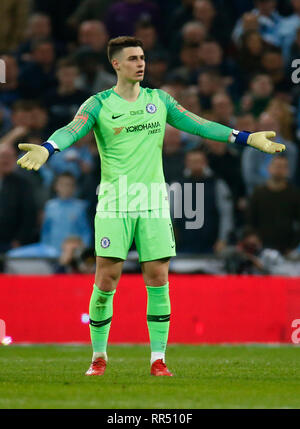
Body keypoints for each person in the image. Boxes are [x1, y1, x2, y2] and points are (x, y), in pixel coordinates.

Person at [17, 36, 285, 377]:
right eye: (132, 58)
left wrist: (245, 137)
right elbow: (73, 129)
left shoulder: (159, 100)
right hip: (115, 204)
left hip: (154, 204)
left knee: (158, 279)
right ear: (116, 64)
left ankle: (158, 359)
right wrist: (49, 147)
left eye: (142, 57)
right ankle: (98, 356)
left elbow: (199, 123)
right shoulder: (97, 104)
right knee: (107, 279)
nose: (140, 63)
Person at [246, 155, 300, 254]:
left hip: (286, 248)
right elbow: (250, 220)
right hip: (260, 247)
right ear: (269, 169)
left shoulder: (295, 194)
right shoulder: (258, 193)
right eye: (277, 166)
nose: (280, 169)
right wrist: (253, 237)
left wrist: (293, 245)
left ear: (288, 171)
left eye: (283, 167)